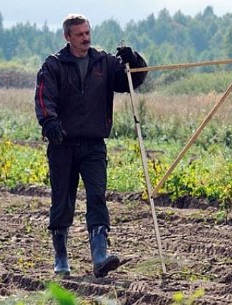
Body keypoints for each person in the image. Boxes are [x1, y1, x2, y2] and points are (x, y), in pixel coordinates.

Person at [34, 13, 147, 277]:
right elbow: (43, 97)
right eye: (80, 34)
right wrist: (49, 122)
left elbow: (133, 81)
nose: (86, 38)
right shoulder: (53, 65)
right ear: (68, 37)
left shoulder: (104, 62)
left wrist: (134, 59)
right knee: (62, 201)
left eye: (88, 33)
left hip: (94, 144)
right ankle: (61, 258)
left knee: (97, 196)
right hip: (62, 143)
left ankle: (99, 256)